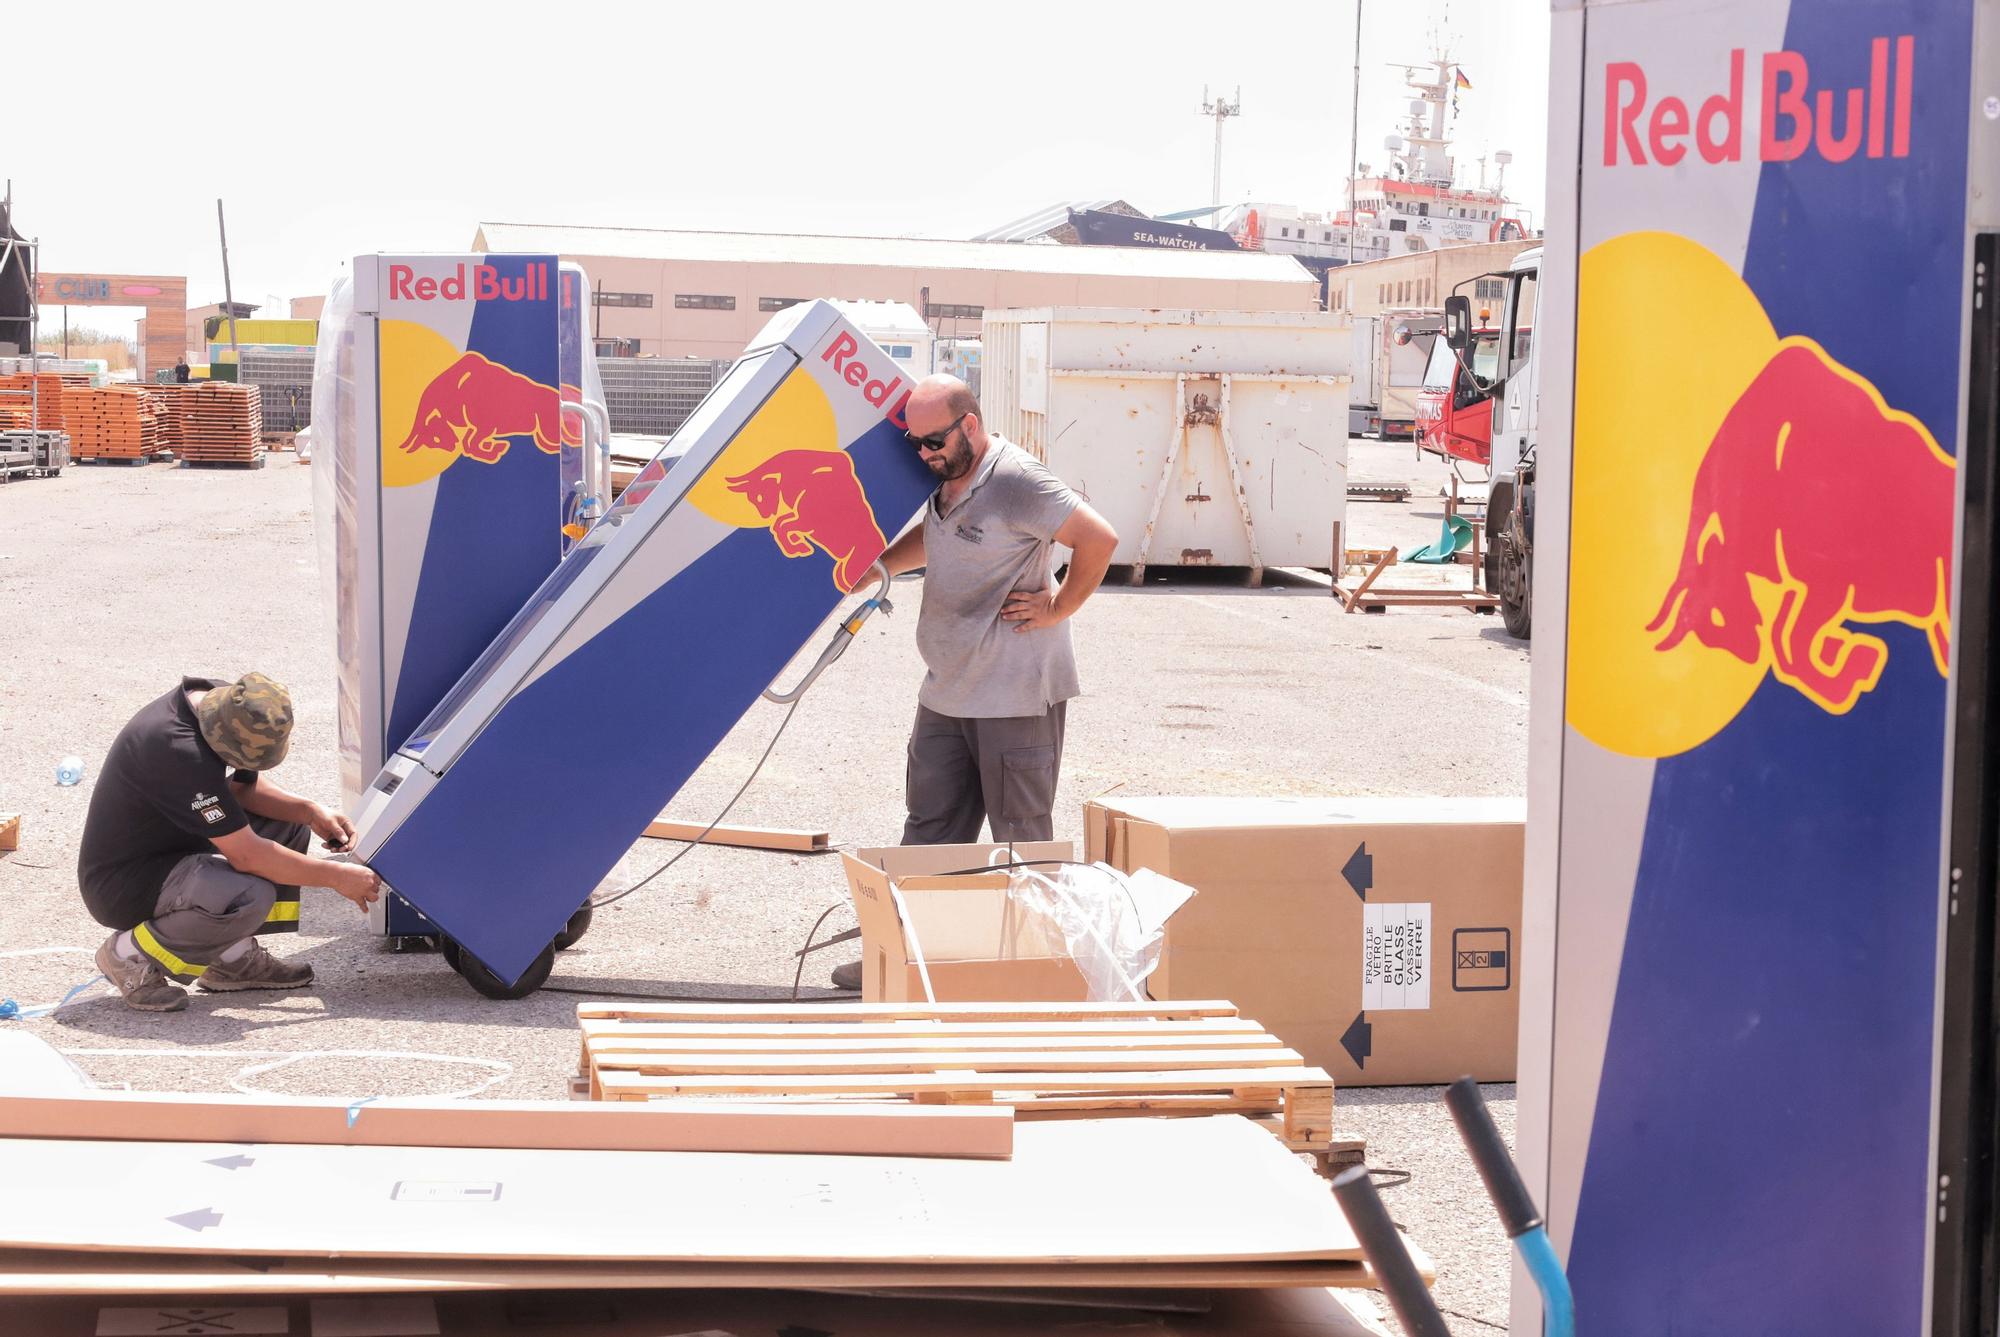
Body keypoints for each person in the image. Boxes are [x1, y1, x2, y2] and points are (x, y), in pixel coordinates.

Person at [830, 375, 1119, 989]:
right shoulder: (949, 482)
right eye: (915, 444)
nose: (925, 454)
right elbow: (939, 540)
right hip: (948, 688)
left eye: (934, 441)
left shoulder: (1016, 481)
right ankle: (903, 957)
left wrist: (1059, 607)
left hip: (1013, 694)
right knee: (930, 831)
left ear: (970, 424)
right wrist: (876, 568)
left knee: (1021, 840)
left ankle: (1037, 970)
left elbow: (1099, 538)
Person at [77, 673, 381, 1012]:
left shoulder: (221, 704)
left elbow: (241, 789)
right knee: (250, 896)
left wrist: (309, 812)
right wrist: (337, 878)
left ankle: (229, 956)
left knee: (290, 827)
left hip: (173, 848)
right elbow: (249, 856)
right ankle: (127, 954)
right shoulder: (179, 750)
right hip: (125, 883)